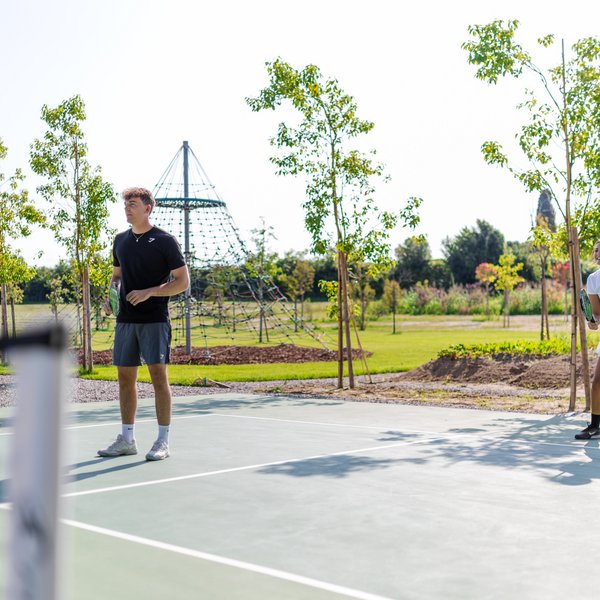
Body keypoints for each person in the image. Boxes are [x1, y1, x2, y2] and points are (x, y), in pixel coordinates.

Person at [98, 187, 189, 460]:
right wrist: (111, 298)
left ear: (148, 208)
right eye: (125, 204)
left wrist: (150, 291)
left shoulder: (164, 240)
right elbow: (116, 276)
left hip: (154, 320)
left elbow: (182, 282)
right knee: (125, 379)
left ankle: (162, 442)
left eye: (133, 204)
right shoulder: (120, 240)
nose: (127, 208)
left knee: (158, 379)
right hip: (125, 320)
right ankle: (127, 439)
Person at [576, 240, 600, 439]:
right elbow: (597, 313)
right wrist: (594, 322)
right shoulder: (593, 279)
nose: (598, 253)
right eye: (597, 250)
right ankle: (595, 426)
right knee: (597, 381)